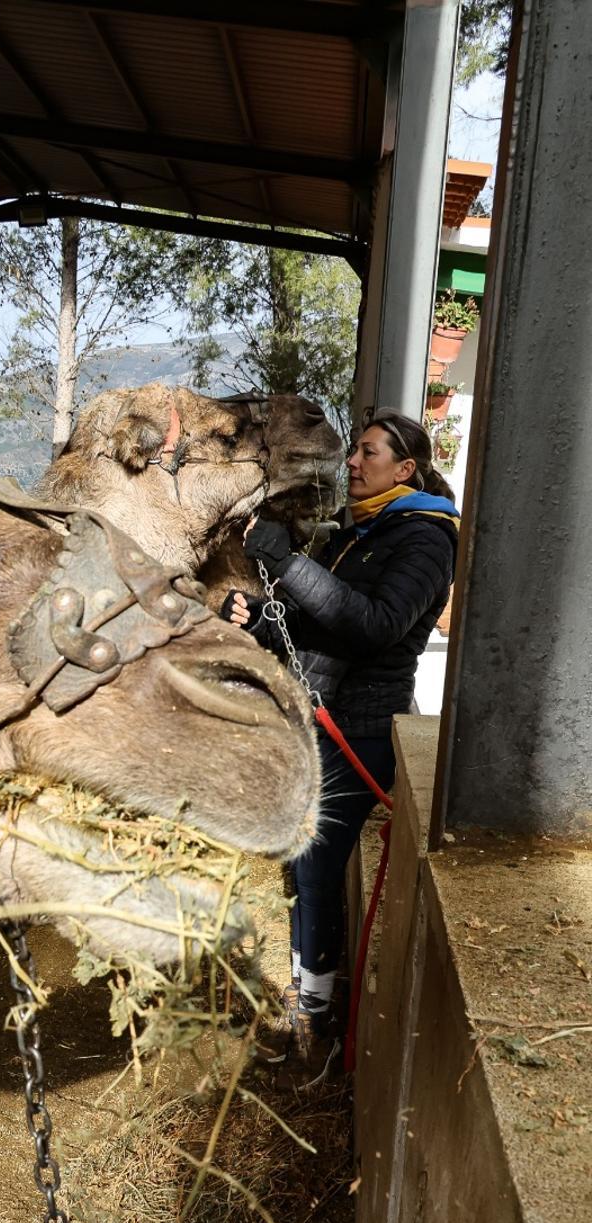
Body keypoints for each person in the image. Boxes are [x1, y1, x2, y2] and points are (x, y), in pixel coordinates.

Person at [227, 406, 461, 1084]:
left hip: (357, 728)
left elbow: (375, 626)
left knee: (318, 873)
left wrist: (283, 559)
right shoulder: (358, 534)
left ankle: (316, 1023)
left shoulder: (424, 539)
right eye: (354, 452)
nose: (352, 463)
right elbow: (314, 625)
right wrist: (259, 621)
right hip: (318, 718)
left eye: (367, 452)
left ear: (406, 467)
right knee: (303, 872)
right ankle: (310, 1001)